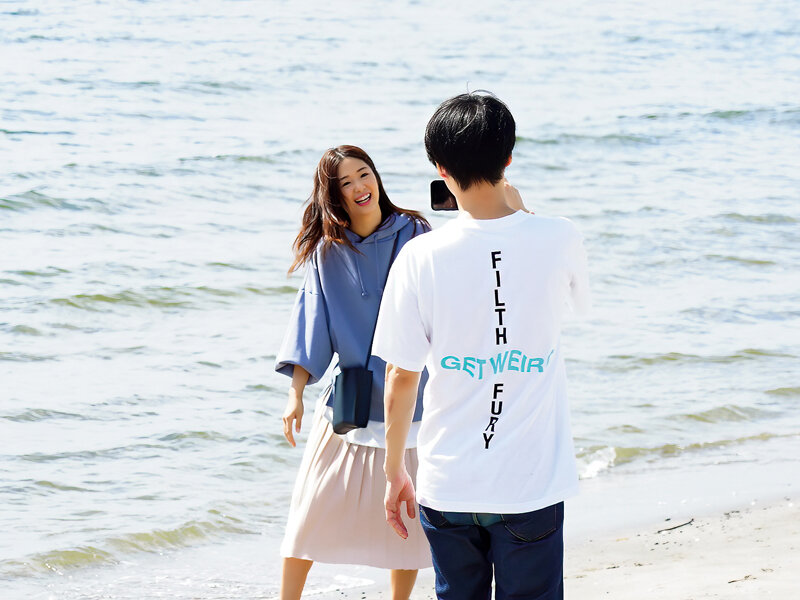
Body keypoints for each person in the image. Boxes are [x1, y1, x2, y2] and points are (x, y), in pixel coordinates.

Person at [373, 92, 591, 599]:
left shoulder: (420, 256)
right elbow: (581, 306)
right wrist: (523, 211)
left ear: (441, 169)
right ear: (508, 158)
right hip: (530, 482)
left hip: (449, 483)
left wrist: (394, 470)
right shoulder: (560, 236)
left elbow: (401, 376)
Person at [274, 145, 432, 600]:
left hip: (412, 400)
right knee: (307, 517)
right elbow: (312, 321)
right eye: (346, 182)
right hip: (351, 405)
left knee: (407, 526)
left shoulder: (416, 233)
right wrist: (295, 393)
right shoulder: (327, 252)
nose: (360, 187)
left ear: (376, 177)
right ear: (335, 195)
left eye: (364, 174)